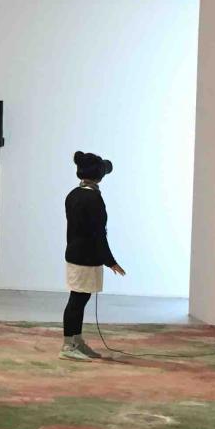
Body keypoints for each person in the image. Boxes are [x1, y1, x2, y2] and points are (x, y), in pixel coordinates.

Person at [62, 151, 125, 361]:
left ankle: (76, 340)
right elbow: (98, 233)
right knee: (77, 299)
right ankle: (68, 345)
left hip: (75, 253)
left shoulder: (73, 194)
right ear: (99, 176)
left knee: (80, 298)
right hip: (86, 257)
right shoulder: (93, 198)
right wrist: (110, 261)